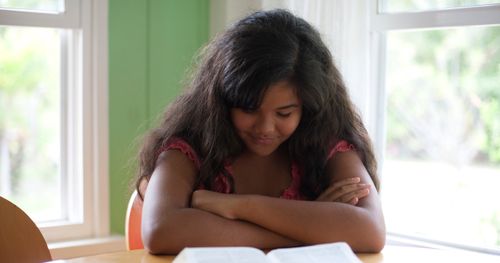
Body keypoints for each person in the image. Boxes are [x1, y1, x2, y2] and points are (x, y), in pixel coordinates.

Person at [136, 9, 385, 255]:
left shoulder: (326, 141)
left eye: (284, 113)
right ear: (223, 101)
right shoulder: (191, 146)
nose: (265, 128)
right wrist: (310, 226)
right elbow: (160, 231)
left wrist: (237, 207)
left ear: (307, 108)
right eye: (249, 109)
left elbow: (370, 232)